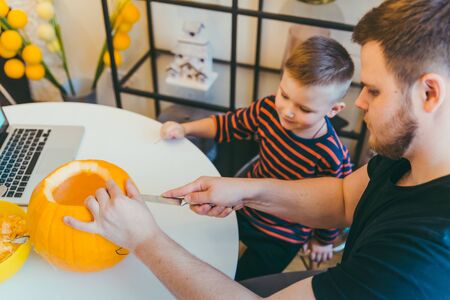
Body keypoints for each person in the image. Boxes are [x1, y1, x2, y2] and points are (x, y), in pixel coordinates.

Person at [64, 0, 450, 298]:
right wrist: (246, 189)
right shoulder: (402, 161)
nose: (360, 103)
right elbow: (346, 197)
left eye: (375, 90)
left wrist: (145, 239)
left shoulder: (418, 259)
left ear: (429, 93)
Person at [159, 36, 354, 280]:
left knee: (243, 283)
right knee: (200, 253)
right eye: (284, 95)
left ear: (333, 110)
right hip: (244, 205)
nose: (288, 111)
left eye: (304, 109)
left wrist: (323, 241)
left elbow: (333, 205)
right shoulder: (267, 110)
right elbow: (226, 125)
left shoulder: (332, 154)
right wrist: (185, 129)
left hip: (284, 234)